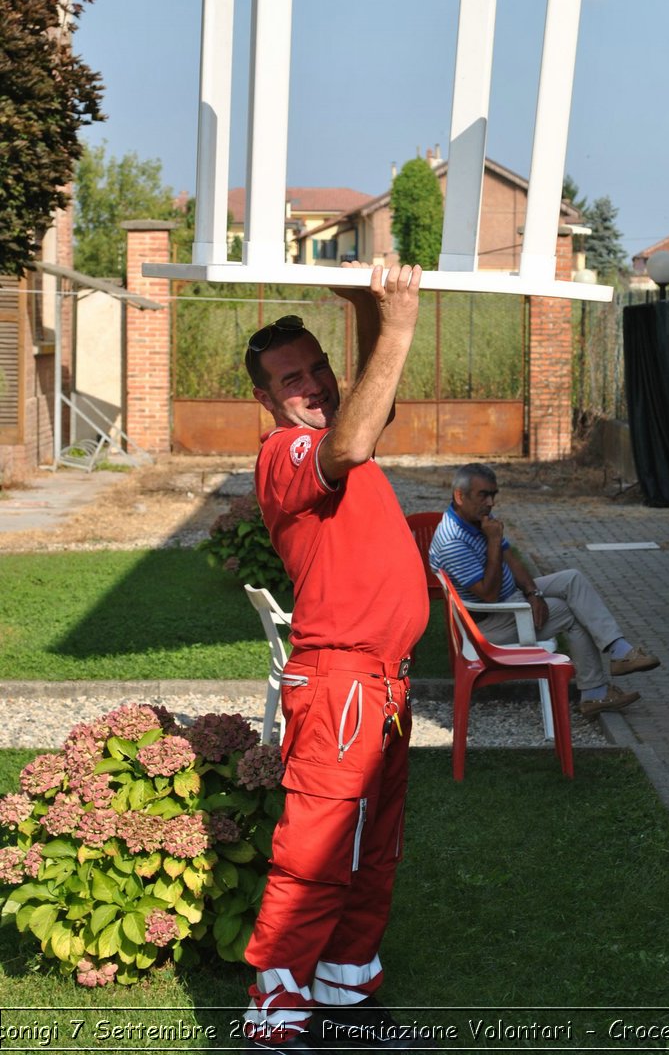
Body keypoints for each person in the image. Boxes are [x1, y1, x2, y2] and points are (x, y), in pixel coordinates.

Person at [240, 263, 430, 1053]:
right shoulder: (289, 452)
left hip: (380, 684)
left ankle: (346, 1008)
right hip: (341, 684)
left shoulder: (335, 428)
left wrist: (362, 305)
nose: (314, 384)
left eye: (319, 367)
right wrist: (401, 321)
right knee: (314, 861)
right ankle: (273, 1026)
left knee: (367, 858)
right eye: (293, 378)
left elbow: (362, 411)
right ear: (264, 398)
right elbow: (351, 437)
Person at [429, 463, 660, 717]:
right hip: (488, 624)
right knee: (572, 613)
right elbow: (488, 594)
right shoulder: (453, 541)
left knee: (573, 579)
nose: (491, 502)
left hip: (510, 601)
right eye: (483, 495)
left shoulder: (476, 519)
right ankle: (595, 694)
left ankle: (619, 651)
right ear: (460, 496)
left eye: (493, 494)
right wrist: (493, 541)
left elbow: (509, 557)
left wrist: (533, 593)